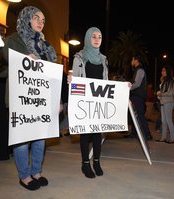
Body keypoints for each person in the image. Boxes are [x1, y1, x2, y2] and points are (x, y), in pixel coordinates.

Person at [0, 6, 57, 190]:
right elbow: (0, 71)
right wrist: (23, 61)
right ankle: (24, 175)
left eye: (43, 20)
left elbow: (52, 76)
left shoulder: (46, 47)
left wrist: (57, 100)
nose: (41, 22)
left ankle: (36, 171)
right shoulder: (12, 40)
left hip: (41, 99)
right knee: (21, 139)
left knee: (40, 137)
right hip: (19, 99)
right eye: (36, 18)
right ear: (26, 18)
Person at [69, 27, 107, 178]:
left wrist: (124, 87)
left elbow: (106, 81)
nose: (97, 39)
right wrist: (70, 80)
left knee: (97, 133)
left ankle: (96, 162)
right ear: (87, 38)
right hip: (84, 102)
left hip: (98, 101)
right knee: (85, 134)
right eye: (94, 37)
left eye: (99, 36)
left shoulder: (104, 59)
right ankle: (85, 164)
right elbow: (75, 80)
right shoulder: (79, 57)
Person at [125, 55, 153, 140]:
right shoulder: (137, 70)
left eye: (132, 60)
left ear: (136, 60)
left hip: (138, 97)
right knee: (135, 116)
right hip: (136, 96)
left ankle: (148, 135)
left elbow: (137, 84)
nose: (131, 62)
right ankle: (134, 133)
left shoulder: (140, 70)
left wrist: (128, 88)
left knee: (140, 116)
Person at [156, 65, 174, 143]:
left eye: (164, 70)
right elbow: (163, 92)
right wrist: (159, 96)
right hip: (163, 102)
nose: (162, 72)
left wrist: (161, 94)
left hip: (168, 102)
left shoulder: (170, 81)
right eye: (162, 70)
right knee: (163, 121)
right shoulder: (164, 81)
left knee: (168, 120)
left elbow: (170, 93)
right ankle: (163, 137)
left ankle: (173, 138)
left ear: (167, 72)